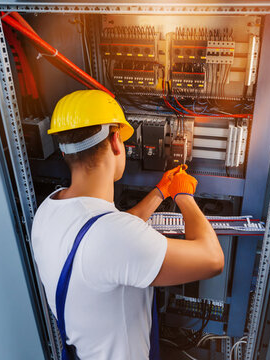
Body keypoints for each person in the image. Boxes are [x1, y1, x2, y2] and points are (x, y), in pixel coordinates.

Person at [31, 90, 224, 360]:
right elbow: (213, 259)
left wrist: (161, 191)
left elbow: (106, 233)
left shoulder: (49, 209)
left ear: (65, 151)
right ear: (115, 141)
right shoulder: (113, 237)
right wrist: (184, 196)